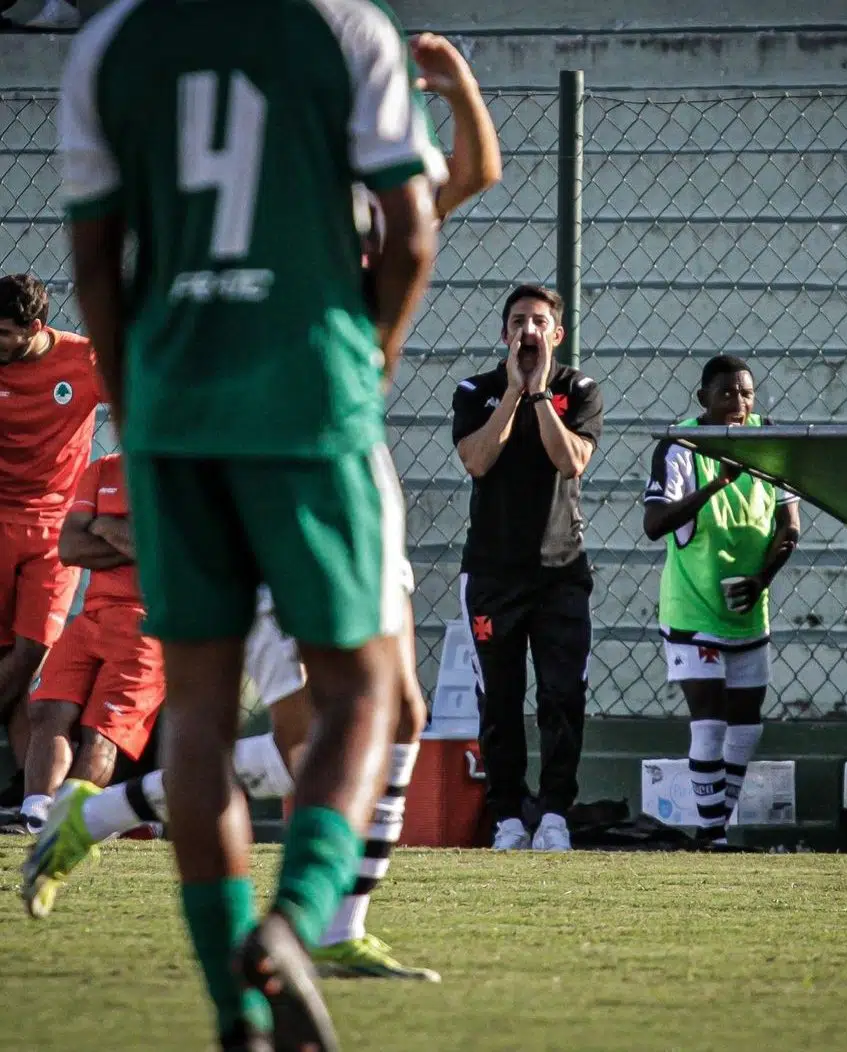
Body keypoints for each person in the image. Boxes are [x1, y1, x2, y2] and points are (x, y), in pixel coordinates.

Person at [25, 30, 500, 987]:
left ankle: (336, 924)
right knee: (317, 735)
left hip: (348, 467)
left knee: (393, 711)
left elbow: (471, 176)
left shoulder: (348, 188)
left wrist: (455, 85)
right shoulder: (299, 198)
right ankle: (108, 817)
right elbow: (433, 213)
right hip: (280, 458)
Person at [452, 283, 603, 852]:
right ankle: (508, 815)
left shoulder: (578, 390)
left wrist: (540, 395)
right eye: (518, 321)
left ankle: (557, 813)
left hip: (561, 571)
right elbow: (477, 460)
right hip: (492, 575)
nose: (529, 331)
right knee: (501, 694)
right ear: (504, 332)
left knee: (563, 694)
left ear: (557, 334)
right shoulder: (476, 390)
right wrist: (514, 393)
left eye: (540, 322)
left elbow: (572, 461)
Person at [643, 355, 800, 848]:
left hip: (748, 606)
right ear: (703, 399)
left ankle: (714, 827)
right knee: (710, 725)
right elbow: (654, 525)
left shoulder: (768, 440)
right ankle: (712, 835)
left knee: (747, 731)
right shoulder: (682, 446)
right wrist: (718, 482)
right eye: (727, 393)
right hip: (693, 609)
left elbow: (789, 526)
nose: (738, 403)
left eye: (746, 393)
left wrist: (761, 578)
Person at [3, 452, 164, 836]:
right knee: (47, 711)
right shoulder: (103, 468)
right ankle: (36, 815)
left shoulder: (186, 469)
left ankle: (70, 823)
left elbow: (162, 550)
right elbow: (70, 548)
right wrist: (127, 534)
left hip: (150, 625)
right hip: (91, 618)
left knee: (102, 733)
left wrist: (104, 526)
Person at [0, 273, 102, 804]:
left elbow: (141, 405)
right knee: (13, 664)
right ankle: (29, 798)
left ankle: (30, 794)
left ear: (35, 329)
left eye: (2, 333)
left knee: (30, 655)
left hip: (54, 528)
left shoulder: (84, 362)